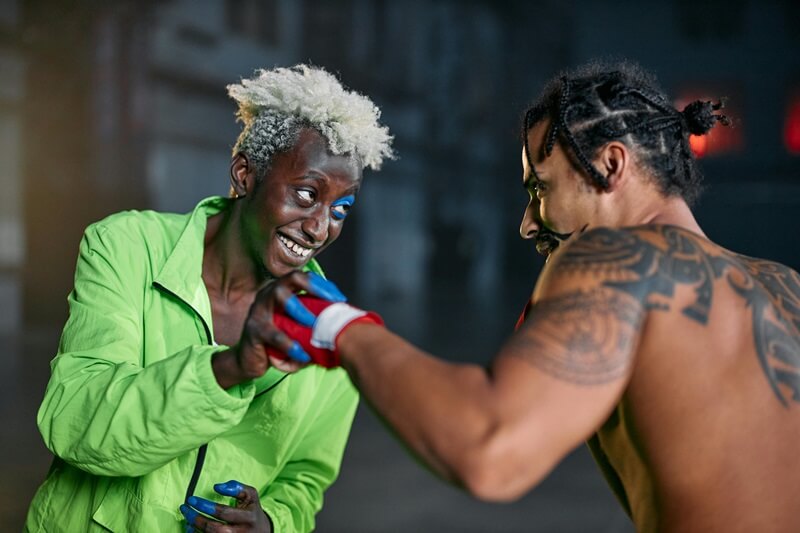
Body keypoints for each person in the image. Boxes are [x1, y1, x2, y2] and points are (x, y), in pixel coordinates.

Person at [258, 60, 800, 532]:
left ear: (611, 166)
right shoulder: (786, 287)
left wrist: (336, 327)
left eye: (541, 188)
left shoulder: (614, 260)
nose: (528, 223)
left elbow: (491, 449)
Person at [25, 64, 394, 533]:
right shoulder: (126, 247)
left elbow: (305, 480)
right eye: (306, 194)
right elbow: (75, 425)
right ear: (245, 175)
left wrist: (272, 523)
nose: (321, 228)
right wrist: (230, 368)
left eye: (340, 208)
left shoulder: (331, 329)